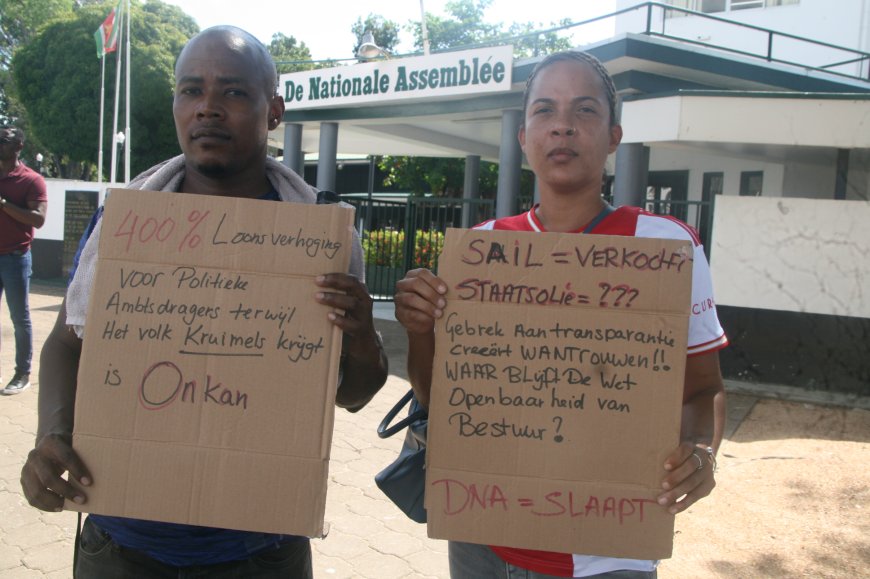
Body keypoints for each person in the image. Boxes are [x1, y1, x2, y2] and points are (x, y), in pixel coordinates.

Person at [20, 26, 388, 578]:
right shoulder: (124, 223)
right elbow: (66, 344)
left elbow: (354, 396)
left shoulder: (322, 236)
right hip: (120, 546)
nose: (208, 109)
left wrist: (360, 336)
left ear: (274, 111)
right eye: (191, 90)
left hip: (262, 551)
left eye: (234, 92)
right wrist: (51, 434)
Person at [394, 50, 728, 578]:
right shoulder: (481, 251)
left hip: (609, 550)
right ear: (524, 137)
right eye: (545, 111)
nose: (564, 127)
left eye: (585, 111)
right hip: (484, 537)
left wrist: (703, 452)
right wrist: (419, 331)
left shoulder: (666, 249)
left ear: (614, 137)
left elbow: (703, 387)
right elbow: (442, 400)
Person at [0, 125, 47, 396]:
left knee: (20, 318)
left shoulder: (31, 180)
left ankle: (22, 373)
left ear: (18, 146)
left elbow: (38, 219)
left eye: (3, 141)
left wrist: (4, 204)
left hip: (15, 258)